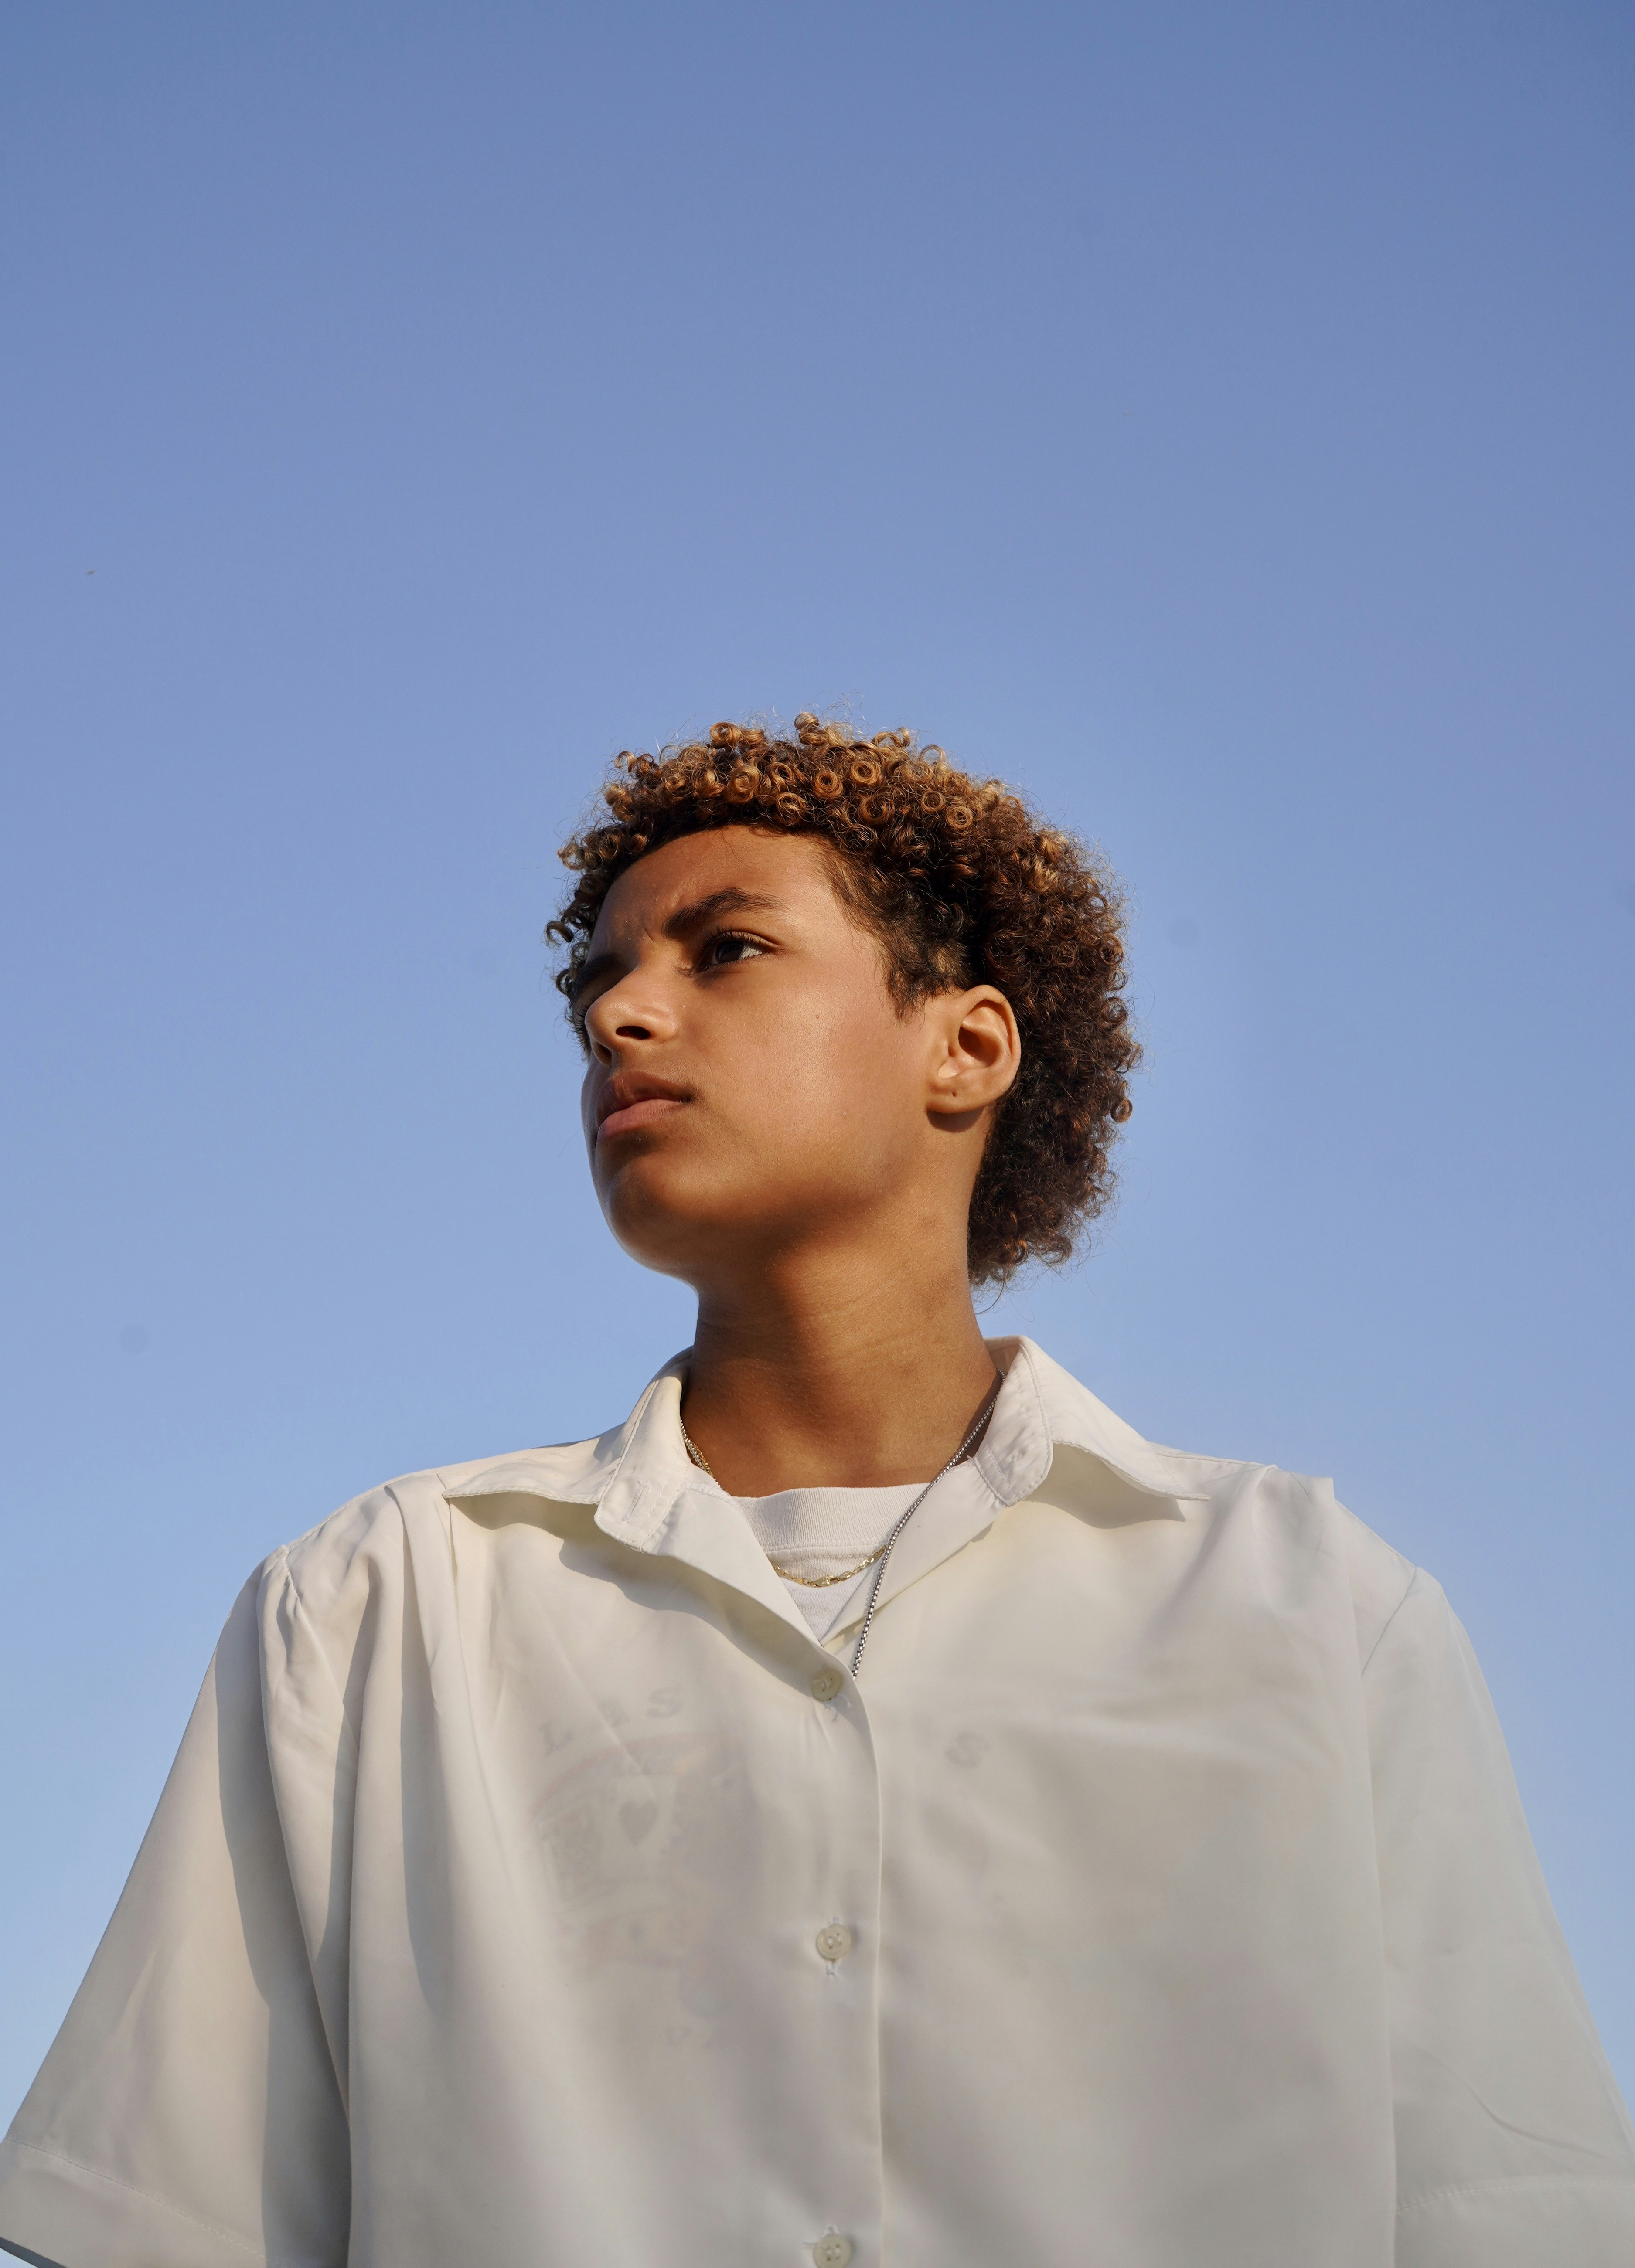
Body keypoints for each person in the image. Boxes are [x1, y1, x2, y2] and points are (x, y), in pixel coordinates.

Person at [1, 714, 1630, 2268]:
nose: (621, 1018)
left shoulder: (1312, 1606)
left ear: (967, 1045)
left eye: (725, 951)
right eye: (604, 981)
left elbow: (1504, 2215)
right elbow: (181, 2224)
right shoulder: (378, 1605)